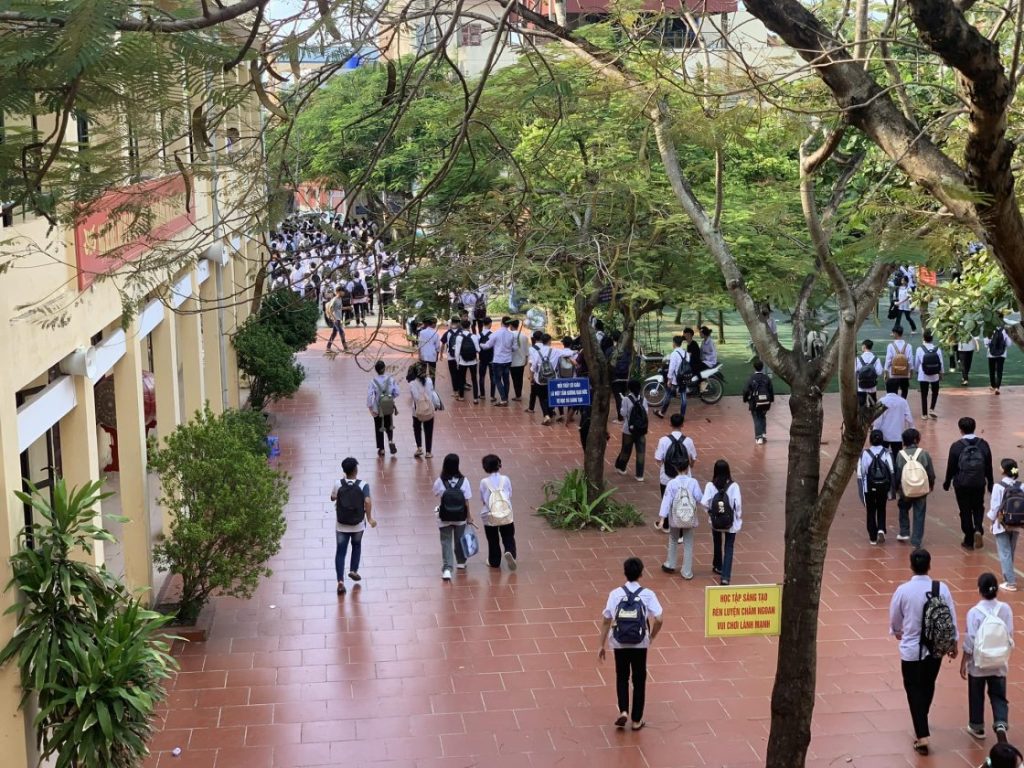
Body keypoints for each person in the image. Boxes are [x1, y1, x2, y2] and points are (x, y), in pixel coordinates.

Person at [889, 548, 959, 755]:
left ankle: (922, 735)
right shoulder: (941, 588)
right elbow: (951, 616)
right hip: (935, 649)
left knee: (913, 689)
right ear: (930, 565)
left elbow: (895, 617)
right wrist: (953, 642)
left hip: (911, 650)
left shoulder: (903, 591)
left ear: (911, 565)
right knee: (928, 684)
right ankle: (922, 718)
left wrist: (897, 631)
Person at [597, 557, 664, 731]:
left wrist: (601, 645)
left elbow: (606, 620)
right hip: (640, 642)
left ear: (624, 573)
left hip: (619, 642)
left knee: (622, 676)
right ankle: (636, 720)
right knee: (639, 679)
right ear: (641, 573)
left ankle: (624, 711)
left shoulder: (615, 594)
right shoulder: (648, 594)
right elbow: (659, 619)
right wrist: (651, 637)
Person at [961, 573, 1014, 741]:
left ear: (979, 590)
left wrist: (964, 661)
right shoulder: (1005, 609)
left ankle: (977, 726)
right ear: (996, 589)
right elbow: (1009, 634)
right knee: (999, 696)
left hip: (978, 664)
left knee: (976, 694)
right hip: (999, 663)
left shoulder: (974, 612)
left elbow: (970, 640)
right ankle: (1001, 723)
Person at [943, 417, 995, 550]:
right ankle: (978, 528)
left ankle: (969, 539)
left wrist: (947, 482)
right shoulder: (983, 444)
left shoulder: (956, 446)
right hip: (979, 482)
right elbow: (988, 466)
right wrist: (990, 482)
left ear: (960, 429)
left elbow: (951, 467)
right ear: (974, 427)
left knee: (964, 510)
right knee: (978, 506)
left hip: (961, 484)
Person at [329, 457, 376, 595]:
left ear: (344, 471)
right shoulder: (363, 485)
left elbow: (332, 497)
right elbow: (367, 501)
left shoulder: (338, 483)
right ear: (356, 470)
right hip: (358, 525)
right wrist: (370, 518)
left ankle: (340, 581)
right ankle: (353, 570)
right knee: (356, 545)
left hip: (341, 524)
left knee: (340, 552)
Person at [658, 455, 703, 579]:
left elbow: (666, 501)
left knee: (673, 539)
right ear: (688, 468)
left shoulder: (672, 483)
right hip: (689, 517)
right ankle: (687, 571)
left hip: (675, 517)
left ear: (676, 468)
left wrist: (662, 518)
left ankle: (670, 564)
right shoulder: (693, 482)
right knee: (688, 543)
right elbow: (699, 497)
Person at [432, 454, 475, 581]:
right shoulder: (464, 481)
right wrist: (469, 516)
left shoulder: (440, 481)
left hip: (444, 517)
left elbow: (435, 493)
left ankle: (447, 569)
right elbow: (466, 501)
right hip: (460, 517)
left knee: (446, 541)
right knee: (459, 539)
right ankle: (461, 562)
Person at [701, 459, 742, 585]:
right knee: (729, 547)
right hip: (730, 522)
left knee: (717, 542)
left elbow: (704, 502)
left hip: (716, 522)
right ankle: (725, 576)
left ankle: (718, 565)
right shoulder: (734, 486)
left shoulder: (710, 485)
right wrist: (737, 517)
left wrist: (711, 513)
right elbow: (738, 505)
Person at [895, 428, 936, 547]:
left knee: (903, 507)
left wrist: (896, 488)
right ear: (917, 439)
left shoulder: (900, 455)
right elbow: (930, 473)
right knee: (919, 513)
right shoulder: (924, 454)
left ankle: (904, 531)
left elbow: (898, 473)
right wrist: (931, 485)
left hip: (906, 489)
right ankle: (916, 540)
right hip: (921, 489)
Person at [989, 459, 1023, 592]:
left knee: (1004, 552)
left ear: (1003, 470)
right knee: (1010, 551)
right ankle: (1008, 576)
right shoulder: (1021, 486)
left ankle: (1010, 582)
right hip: (1017, 523)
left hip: (1001, 523)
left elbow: (995, 507)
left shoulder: (998, 486)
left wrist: (992, 520)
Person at [480, 454, 517, 570]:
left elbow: (483, 499)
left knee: (492, 539)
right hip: (506, 513)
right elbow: (509, 494)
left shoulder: (484, 482)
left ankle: (494, 561)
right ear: (499, 465)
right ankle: (510, 552)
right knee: (508, 536)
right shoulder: (505, 479)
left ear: (485, 467)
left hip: (490, 514)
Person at [858, 429, 894, 545]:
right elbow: (891, 470)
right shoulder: (887, 453)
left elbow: (862, 471)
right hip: (883, 487)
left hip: (869, 487)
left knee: (871, 510)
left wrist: (862, 488)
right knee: (881, 508)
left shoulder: (865, 454)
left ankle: (872, 537)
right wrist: (891, 488)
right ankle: (881, 529)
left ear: (870, 440)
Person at [653, 413, 697, 499]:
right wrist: (690, 465)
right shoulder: (688, 441)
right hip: (685, 479)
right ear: (682, 424)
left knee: (667, 502)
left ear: (670, 424)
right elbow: (693, 458)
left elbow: (658, 459)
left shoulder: (663, 440)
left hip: (666, 478)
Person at [615, 380, 649, 482]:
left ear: (629, 388)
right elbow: (646, 413)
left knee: (626, 450)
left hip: (628, 429)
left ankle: (622, 468)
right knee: (641, 452)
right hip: (641, 430)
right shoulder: (643, 399)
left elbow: (623, 413)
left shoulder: (626, 399)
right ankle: (639, 475)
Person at [874, 378, 914, 457]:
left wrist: (875, 430)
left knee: (883, 458)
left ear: (886, 387)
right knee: (897, 457)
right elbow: (909, 418)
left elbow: (877, 419)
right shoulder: (903, 402)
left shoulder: (881, 401)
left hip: (883, 436)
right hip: (897, 436)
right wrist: (912, 429)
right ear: (898, 388)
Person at [482, 317, 517, 406]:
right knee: (506, 380)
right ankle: (505, 398)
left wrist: (480, 344)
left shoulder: (495, 333)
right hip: (508, 360)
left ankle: (503, 399)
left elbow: (487, 346)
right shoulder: (511, 335)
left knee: (497, 380)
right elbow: (514, 348)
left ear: (501, 322)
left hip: (498, 360)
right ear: (509, 324)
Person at [367, 361, 399, 458]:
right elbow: (397, 392)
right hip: (388, 407)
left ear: (376, 370)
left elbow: (370, 396)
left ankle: (381, 449)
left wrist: (370, 407)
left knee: (378, 427)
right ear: (384, 368)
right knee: (389, 425)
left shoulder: (373, 381)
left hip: (378, 408)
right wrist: (390, 397)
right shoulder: (391, 379)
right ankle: (390, 440)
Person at [655, 335, 690, 420]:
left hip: (675, 380)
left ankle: (662, 413)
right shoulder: (686, 353)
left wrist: (669, 379)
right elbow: (688, 364)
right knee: (683, 397)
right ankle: (682, 415)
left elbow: (671, 368)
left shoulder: (674, 354)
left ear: (674, 343)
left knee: (668, 395)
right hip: (684, 378)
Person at [408, 363, 437, 458]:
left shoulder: (412, 384)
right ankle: (428, 452)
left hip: (417, 410)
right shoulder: (429, 381)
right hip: (429, 409)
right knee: (428, 430)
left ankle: (419, 447)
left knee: (417, 428)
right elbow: (431, 393)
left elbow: (414, 397)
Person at [741, 359, 774, 444]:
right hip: (766, 402)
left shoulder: (751, 378)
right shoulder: (766, 378)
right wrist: (771, 400)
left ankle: (759, 437)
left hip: (755, 402)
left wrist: (745, 399)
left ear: (754, 367)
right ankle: (763, 434)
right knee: (762, 416)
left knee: (757, 418)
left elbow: (746, 390)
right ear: (762, 367)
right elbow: (770, 390)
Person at [529, 333, 558, 425]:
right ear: (550, 341)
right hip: (552, 378)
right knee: (550, 396)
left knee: (542, 398)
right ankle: (550, 413)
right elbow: (567, 353)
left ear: (541, 341)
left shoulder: (537, 352)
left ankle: (546, 415)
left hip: (540, 379)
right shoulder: (555, 351)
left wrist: (532, 377)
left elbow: (533, 367)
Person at [915, 331, 944, 419]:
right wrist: (941, 373)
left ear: (923, 338)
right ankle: (932, 409)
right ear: (932, 338)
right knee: (935, 392)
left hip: (923, 375)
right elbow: (941, 363)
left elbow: (917, 363)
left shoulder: (919, 349)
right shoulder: (937, 349)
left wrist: (917, 371)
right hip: (935, 375)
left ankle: (924, 414)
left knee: (924, 394)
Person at [854, 339, 884, 406]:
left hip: (861, 386)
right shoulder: (876, 359)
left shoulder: (858, 359)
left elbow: (854, 371)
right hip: (872, 386)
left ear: (864, 346)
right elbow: (879, 372)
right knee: (873, 405)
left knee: (861, 405)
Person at [985, 326, 1012, 395]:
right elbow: (1009, 344)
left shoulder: (990, 329)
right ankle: (997, 387)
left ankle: (993, 386)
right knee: (999, 371)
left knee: (992, 370)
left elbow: (986, 343)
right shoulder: (1005, 330)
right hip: (1002, 354)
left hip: (991, 354)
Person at [440, 317, 463, 396]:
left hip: (451, 357)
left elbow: (443, 344)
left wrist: (441, 354)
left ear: (452, 323)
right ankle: (461, 391)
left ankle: (455, 391)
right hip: (460, 356)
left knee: (453, 374)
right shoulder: (462, 332)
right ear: (458, 323)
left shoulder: (448, 333)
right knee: (460, 374)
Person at [325, 285, 349, 353]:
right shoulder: (335, 299)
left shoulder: (340, 299)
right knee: (342, 333)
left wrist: (347, 308)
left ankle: (328, 347)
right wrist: (334, 318)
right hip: (335, 319)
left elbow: (339, 308)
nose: (344, 293)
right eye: (343, 291)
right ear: (339, 292)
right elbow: (330, 309)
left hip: (338, 318)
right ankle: (345, 348)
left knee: (334, 333)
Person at [509, 319, 528, 401]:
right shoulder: (524, 336)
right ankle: (518, 394)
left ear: (511, 325)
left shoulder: (510, 335)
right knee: (520, 379)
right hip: (521, 361)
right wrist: (526, 359)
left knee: (514, 379)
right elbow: (526, 350)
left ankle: (517, 395)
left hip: (512, 361)